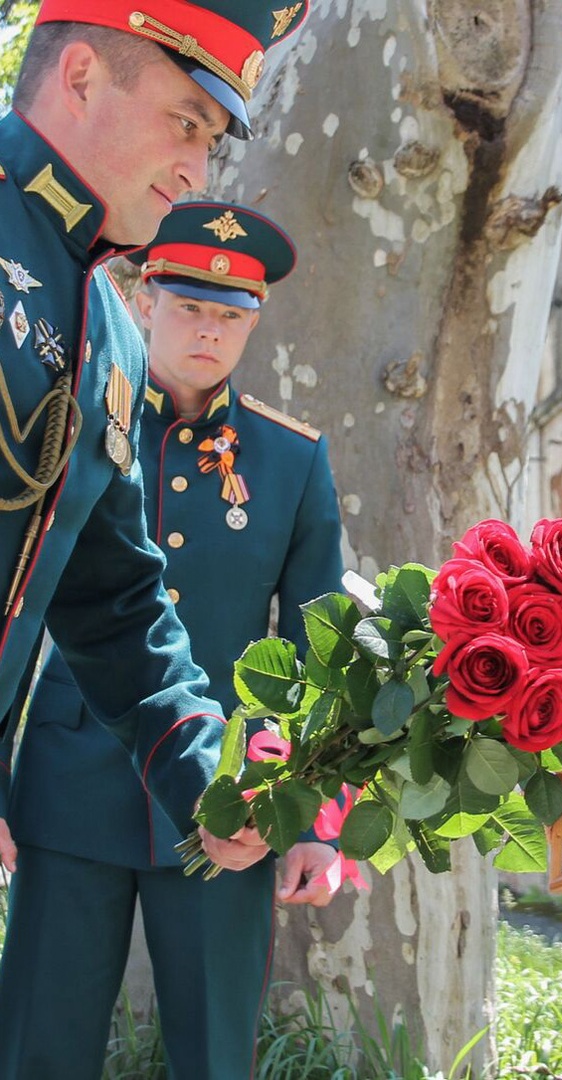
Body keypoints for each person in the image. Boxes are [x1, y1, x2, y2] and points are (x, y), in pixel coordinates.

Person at [0, 200, 346, 1078]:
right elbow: (21, 602)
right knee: (39, 1046)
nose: (209, 331)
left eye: (230, 316)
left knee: (214, 1057)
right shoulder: (78, 422)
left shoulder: (291, 458)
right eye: (189, 306)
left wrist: (314, 820)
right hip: (66, 787)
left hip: (225, 799)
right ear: (144, 297)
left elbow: (316, 653)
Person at [0, 0, 309, 883]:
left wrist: (205, 774)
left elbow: (115, 598)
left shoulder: (112, 334)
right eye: (185, 122)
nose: (195, 169)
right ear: (82, 75)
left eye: (211, 139)